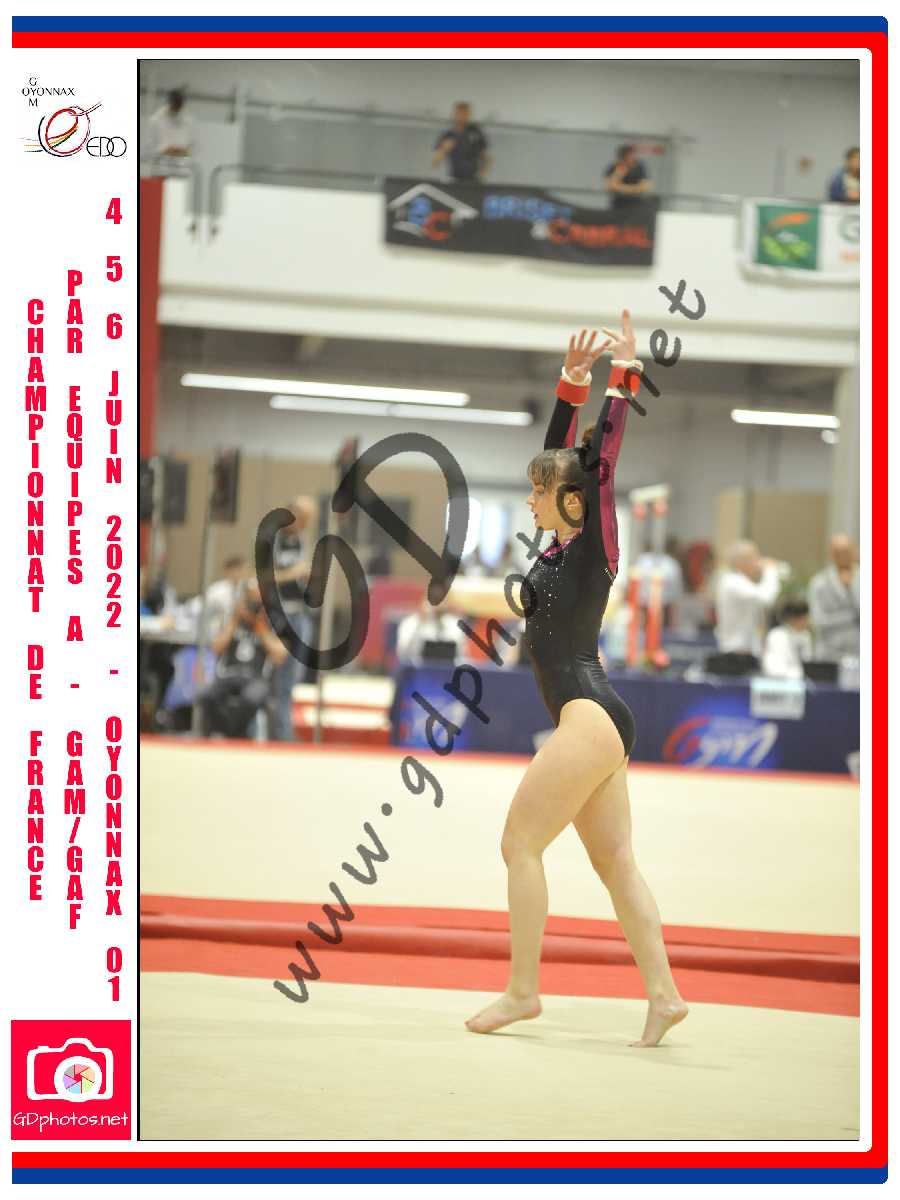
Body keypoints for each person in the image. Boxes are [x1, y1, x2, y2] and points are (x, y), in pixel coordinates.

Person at [465, 315, 687, 1047]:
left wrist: (622, 380)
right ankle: (664, 996)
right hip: (596, 716)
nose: (530, 501)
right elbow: (561, 457)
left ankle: (523, 991)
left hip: (588, 712)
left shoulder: (594, 545)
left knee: (518, 844)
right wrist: (572, 382)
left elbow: (599, 463)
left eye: (540, 493)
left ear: (572, 500)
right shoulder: (557, 547)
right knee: (615, 861)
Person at [199, 580, 288, 739]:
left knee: (250, 698)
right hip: (228, 675)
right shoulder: (232, 620)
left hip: (256, 678)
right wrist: (234, 620)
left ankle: (233, 734)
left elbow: (280, 655)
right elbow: (216, 649)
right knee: (207, 696)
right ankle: (231, 732)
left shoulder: (271, 622)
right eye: (250, 600)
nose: (254, 605)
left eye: (258, 601)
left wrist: (259, 626)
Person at [269, 495, 318, 741]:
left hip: (300, 614)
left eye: (308, 521)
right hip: (278, 614)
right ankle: (280, 734)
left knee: (292, 679)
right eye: (303, 519)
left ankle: (283, 730)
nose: (305, 525)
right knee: (277, 679)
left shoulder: (301, 541)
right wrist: (293, 573)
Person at [714, 541, 783, 659]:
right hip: (736, 653)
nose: (759, 561)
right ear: (740, 562)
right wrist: (771, 571)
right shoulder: (732, 581)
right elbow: (766, 598)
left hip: (748, 652)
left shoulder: (743, 582)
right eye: (755, 557)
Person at [808, 534, 860, 659]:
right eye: (838, 553)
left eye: (847, 552)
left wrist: (850, 588)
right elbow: (818, 621)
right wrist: (851, 617)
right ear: (831, 555)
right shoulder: (819, 583)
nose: (844, 556)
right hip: (829, 652)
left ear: (855, 552)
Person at [395, 594, 466, 664]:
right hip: (417, 668)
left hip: (447, 669)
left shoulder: (454, 624)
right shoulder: (410, 623)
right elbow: (402, 654)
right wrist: (420, 622)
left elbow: (461, 656)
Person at [431, 101, 491, 182]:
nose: (462, 117)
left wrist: (483, 175)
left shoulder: (476, 132)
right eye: (460, 113)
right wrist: (444, 149)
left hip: (474, 179)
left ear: (469, 115)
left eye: (465, 114)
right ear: (454, 114)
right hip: (454, 179)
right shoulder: (448, 135)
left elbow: (486, 158)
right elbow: (435, 162)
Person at [762, 598, 814, 680]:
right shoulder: (777, 636)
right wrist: (799, 674)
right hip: (779, 682)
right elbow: (774, 669)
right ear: (794, 618)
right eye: (805, 617)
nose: (808, 621)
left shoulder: (805, 636)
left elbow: (808, 663)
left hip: (801, 682)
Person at [147, 88, 194, 159]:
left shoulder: (188, 120)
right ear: (170, 102)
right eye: (176, 105)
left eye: (180, 105)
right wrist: (165, 150)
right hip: (161, 160)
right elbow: (151, 145)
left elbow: (191, 143)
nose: (178, 108)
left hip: (182, 161)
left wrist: (184, 150)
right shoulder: (156, 119)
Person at [603, 144, 653, 209]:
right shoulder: (613, 167)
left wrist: (622, 189)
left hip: (637, 204)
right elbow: (609, 187)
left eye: (633, 155)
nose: (633, 158)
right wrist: (619, 172)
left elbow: (645, 187)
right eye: (629, 156)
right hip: (618, 204)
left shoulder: (640, 167)